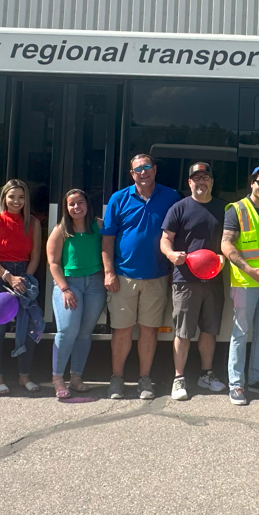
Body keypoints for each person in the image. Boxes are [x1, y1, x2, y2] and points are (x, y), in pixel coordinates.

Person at [102, 154, 181, 400]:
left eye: (147, 167)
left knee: (149, 331)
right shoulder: (118, 198)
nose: (143, 172)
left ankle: (144, 379)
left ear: (155, 170)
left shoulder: (171, 197)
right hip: (123, 276)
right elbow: (108, 239)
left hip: (157, 276)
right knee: (122, 331)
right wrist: (108, 272)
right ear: (132, 173)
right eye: (138, 169)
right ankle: (117, 379)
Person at [161, 163, 229, 401]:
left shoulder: (223, 208)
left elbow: (230, 240)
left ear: (212, 182)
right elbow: (165, 239)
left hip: (214, 280)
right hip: (185, 280)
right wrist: (171, 255)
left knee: (210, 330)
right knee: (183, 332)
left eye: (206, 177)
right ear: (189, 182)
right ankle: (179, 378)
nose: (201, 182)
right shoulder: (179, 208)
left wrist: (225, 255)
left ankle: (206, 374)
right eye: (196, 178)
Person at [221, 165, 259, 406]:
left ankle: (256, 379)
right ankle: (236, 384)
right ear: (251, 183)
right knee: (241, 332)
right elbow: (226, 245)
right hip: (246, 281)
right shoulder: (237, 209)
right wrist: (249, 270)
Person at [0, 179, 43, 395]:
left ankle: (24, 376)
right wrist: (9, 277)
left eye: (21, 197)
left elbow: (35, 256)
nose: (16, 201)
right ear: (4, 198)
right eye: (12, 196)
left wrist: (26, 279)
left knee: (28, 329)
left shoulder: (33, 223)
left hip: (23, 276)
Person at [46, 189, 105, 399]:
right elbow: (53, 263)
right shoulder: (61, 229)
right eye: (72, 204)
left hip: (96, 283)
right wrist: (65, 289)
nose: (76, 207)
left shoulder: (98, 226)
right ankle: (57, 378)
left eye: (80, 203)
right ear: (66, 207)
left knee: (85, 332)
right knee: (67, 330)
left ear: (87, 205)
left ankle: (76, 377)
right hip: (69, 284)